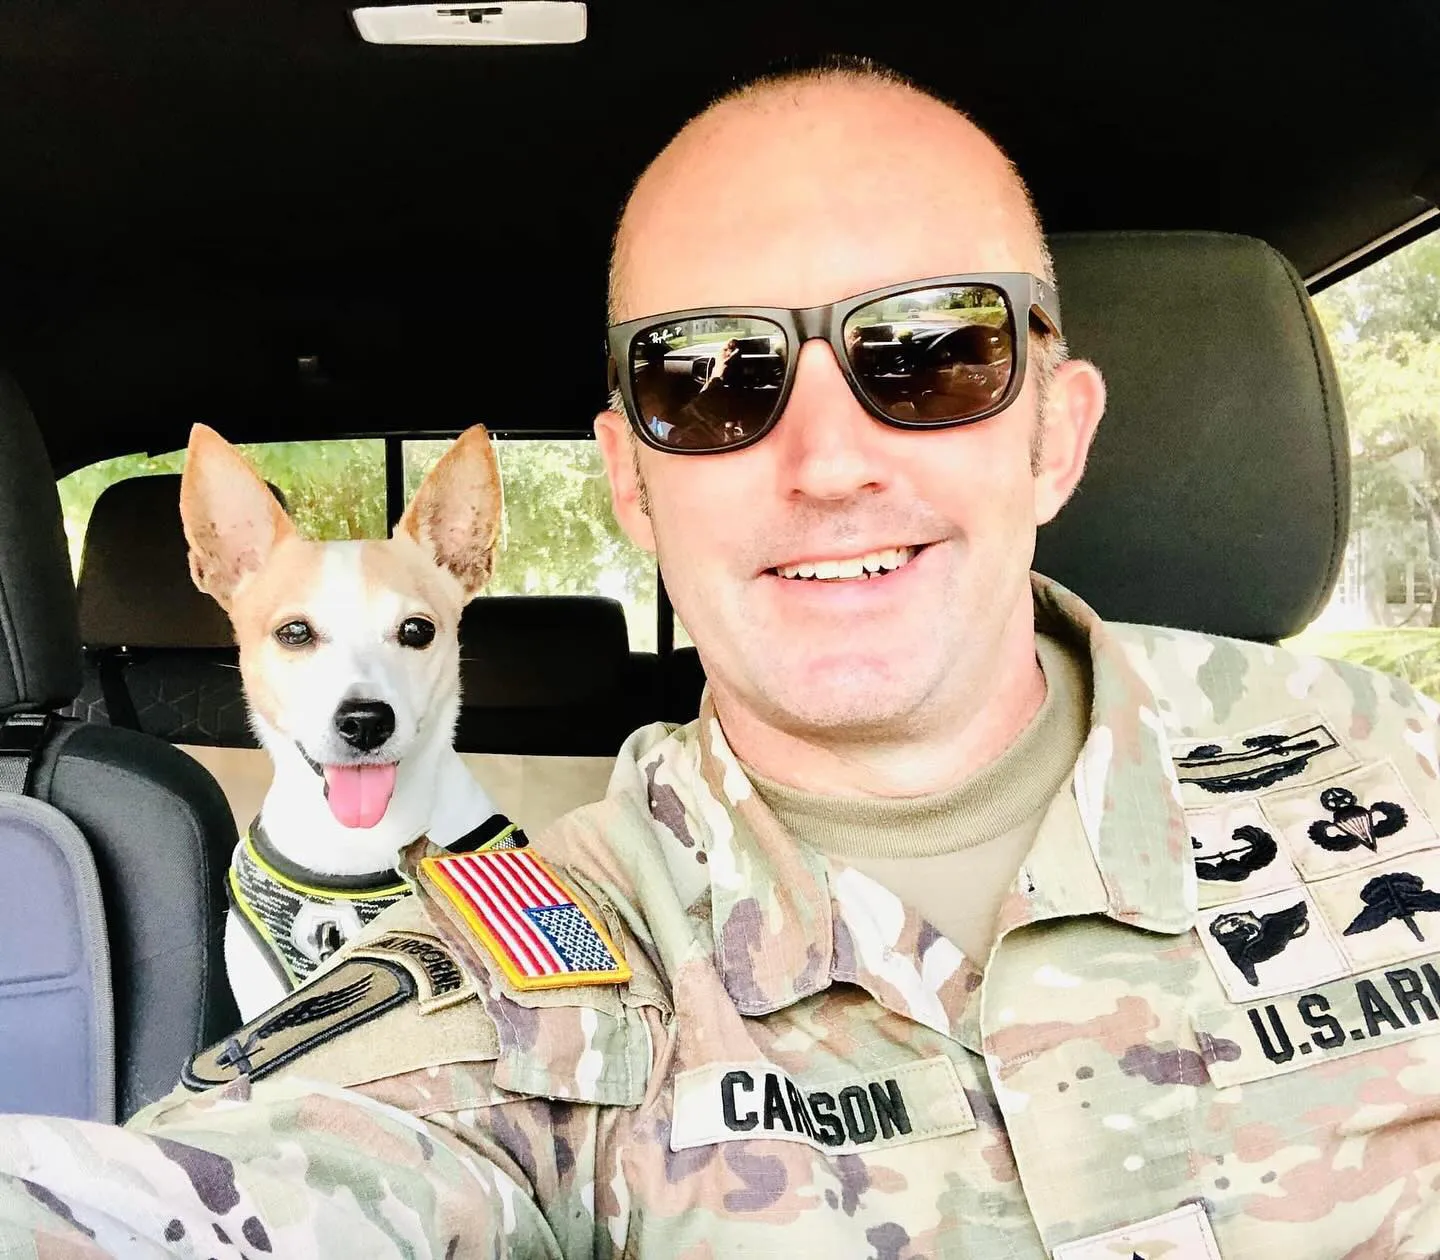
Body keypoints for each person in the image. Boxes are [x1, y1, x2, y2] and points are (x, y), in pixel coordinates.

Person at [4, 57, 1440, 1259]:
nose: (828, 462)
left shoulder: (1406, 760)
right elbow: (236, 1185)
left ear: (1057, 433)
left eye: (931, 352)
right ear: (631, 487)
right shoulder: (510, 956)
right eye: (709, 380)